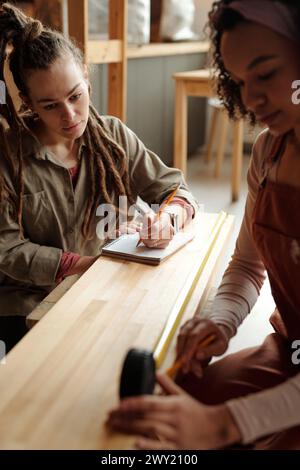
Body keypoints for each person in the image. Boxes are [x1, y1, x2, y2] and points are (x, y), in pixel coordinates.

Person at [107, 0, 300, 450]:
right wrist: (220, 322)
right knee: (175, 409)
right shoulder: (270, 153)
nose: (250, 99)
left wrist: (224, 426)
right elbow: (249, 268)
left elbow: (225, 425)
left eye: (266, 73)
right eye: (240, 81)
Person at [0, 2, 197, 353]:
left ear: (87, 78)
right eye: (50, 105)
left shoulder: (112, 137)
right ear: (28, 102)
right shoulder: (7, 155)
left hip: (98, 286)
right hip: (24, 304)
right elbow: (7, 249)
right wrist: (82, 265)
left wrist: (168, 218)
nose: (70, 114)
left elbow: (174, 188)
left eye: (76, 95)